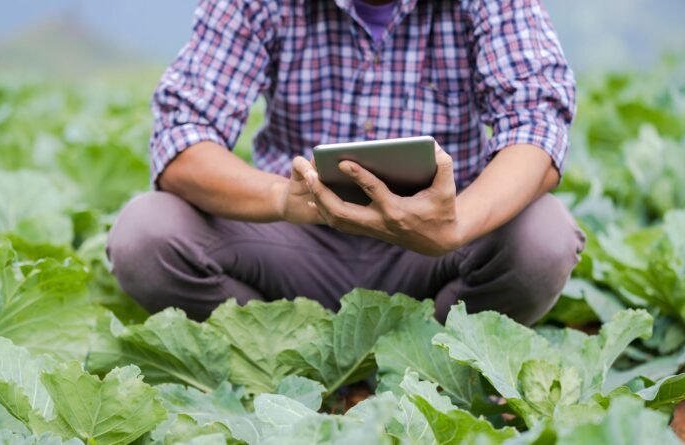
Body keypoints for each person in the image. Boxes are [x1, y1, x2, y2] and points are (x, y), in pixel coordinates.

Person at [107, 0, 586, 324]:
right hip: (293, 241)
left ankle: (435, 355)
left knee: (542, 239)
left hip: (437, 245)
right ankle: (280, 348)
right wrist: (282, 197)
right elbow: (182, 134)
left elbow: (536, 124)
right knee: (146, 233)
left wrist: (458, 224)